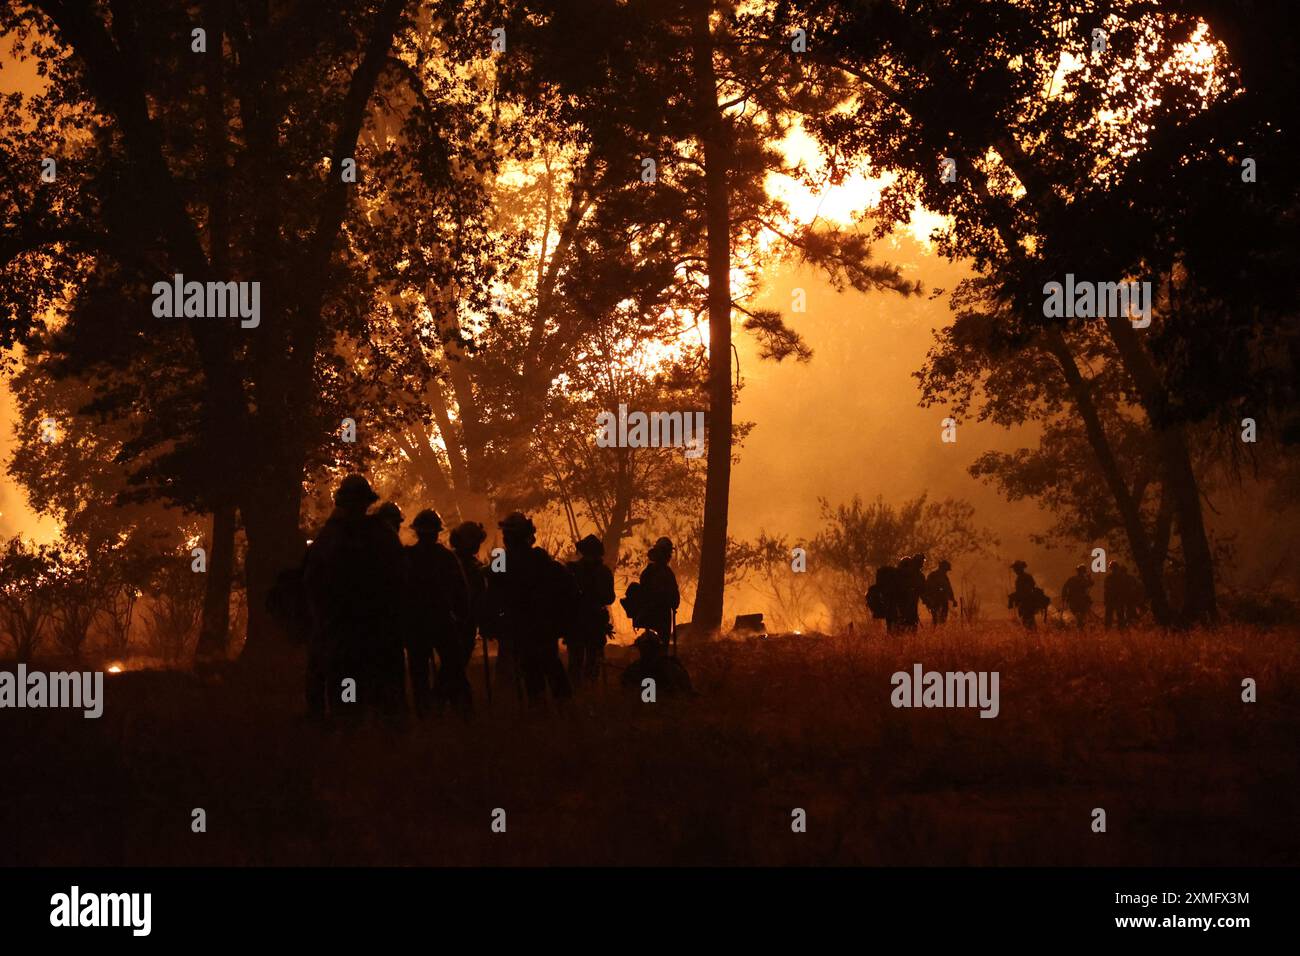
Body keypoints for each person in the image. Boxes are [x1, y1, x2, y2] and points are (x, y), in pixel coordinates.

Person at [302, 475, 405, 722]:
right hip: (367, 627)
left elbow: (312, 582)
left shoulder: (328, 538)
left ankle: (350, 726)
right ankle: (366, 728)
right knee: (366, 685)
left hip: (344, 628)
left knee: (346, 683)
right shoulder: (381, 535)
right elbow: (400, 578)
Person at [483, 512, 574, 706]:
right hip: (539, 623)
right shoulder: (540, 559)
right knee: (547, 662)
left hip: (522, 623)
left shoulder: (504, 560)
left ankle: (542, 704)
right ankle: (562, 705)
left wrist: (492, 621)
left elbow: (493, 591)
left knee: (533, 664)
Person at [405, 509, 472, 718]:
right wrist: (463, 618)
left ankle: (426, 711)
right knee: (453, 665)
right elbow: (461, 592)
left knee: (420, 672)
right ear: (436, 533)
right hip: (441, 620)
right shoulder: (446, 558)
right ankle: (458, 709)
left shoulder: (407, 558)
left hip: (417, 623)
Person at [566, 534, 615, 687]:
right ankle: (584, 688)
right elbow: (609, 598)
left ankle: (585, 689)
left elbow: (608, 598)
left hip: (586, 620)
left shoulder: (574, 570)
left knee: (587, 659)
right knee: (582, 659)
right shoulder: (603, 572)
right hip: (585, 620)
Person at [449, 520, 490, 694]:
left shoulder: (449, 560)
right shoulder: (467, 566)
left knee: (454, 664)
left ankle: (449, 701)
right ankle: (455, 701)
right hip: (461, 621)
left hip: (457, 620)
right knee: (455, 665)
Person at [621, 632, 695, 698]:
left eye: (645, 648)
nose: (643, 651)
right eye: (642, 649)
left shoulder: (668, 668)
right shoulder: (635, 668)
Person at [637, 537, 680, 648]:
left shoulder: (647, 572)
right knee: (662, 646)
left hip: (647, 614)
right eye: (668, 553)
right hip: (661, 615)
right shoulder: (667, 573)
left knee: (650, 646)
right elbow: (675, 599)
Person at [1008, 559, 1045, 630]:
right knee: (1028, 619)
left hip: (1027, 602)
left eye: (1015, 569)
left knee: (1027, 619)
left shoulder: (1024, 577)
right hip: (1026, 602)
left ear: (1019, 569)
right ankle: (1032, 634)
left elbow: (1025, 591)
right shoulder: (1023, 577)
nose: (1014, 571)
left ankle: (1032, 635)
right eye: (1014, 569)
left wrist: (1014, 596)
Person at [1104, 561, 1139, 629]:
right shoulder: (1112, 577)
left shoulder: (1118, 577)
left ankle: (1120, 629)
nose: (1113, 570)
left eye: (1114, 568)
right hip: (1113, 599)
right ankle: (1111, 629)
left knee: (1119, 616)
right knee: (1111, 616)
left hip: (1117, 599)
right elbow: (1106, 590)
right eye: (1113, 568)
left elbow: (1124, 589)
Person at [922, 559, 956, 625]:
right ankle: (935, 632)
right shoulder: (933, 575)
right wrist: (928, 599)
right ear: (943, 568)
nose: (946, 571)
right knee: (935, 618)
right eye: (946, 569)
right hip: (934, 600)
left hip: (943, 600)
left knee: (943, 618)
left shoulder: (944, 577)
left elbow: (949, 589)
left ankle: (939, 631)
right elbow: (927, 588)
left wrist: (953, 599)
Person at [1061, 564, 1094, 629]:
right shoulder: (1084, 580)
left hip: (1073, 601)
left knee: (1077, 613)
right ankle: (1080, 623)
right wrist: (1089, 578)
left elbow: (1064, 588)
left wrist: (1064, 597)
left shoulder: (1071, 579)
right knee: (1082, 614)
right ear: (1084, 572)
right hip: (1082, 601)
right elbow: (1091, 584)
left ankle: (1080, 623)